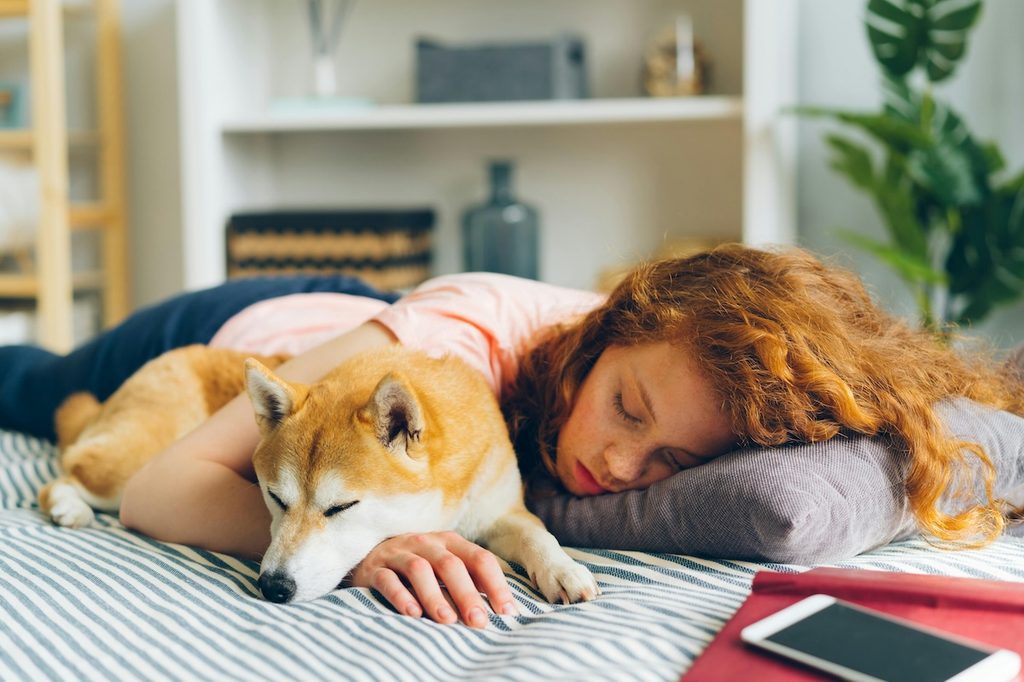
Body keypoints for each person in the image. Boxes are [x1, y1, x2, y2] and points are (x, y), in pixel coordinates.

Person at [2, 244, 1022, 628]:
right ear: (605, 332)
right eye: (626, 408)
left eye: (670, 460)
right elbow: (160, 487)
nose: (621, 465)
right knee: (36, 380)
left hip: (385, 363)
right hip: (248, 341)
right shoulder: (467, 327)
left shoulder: (689, 381)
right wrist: (363, 548)